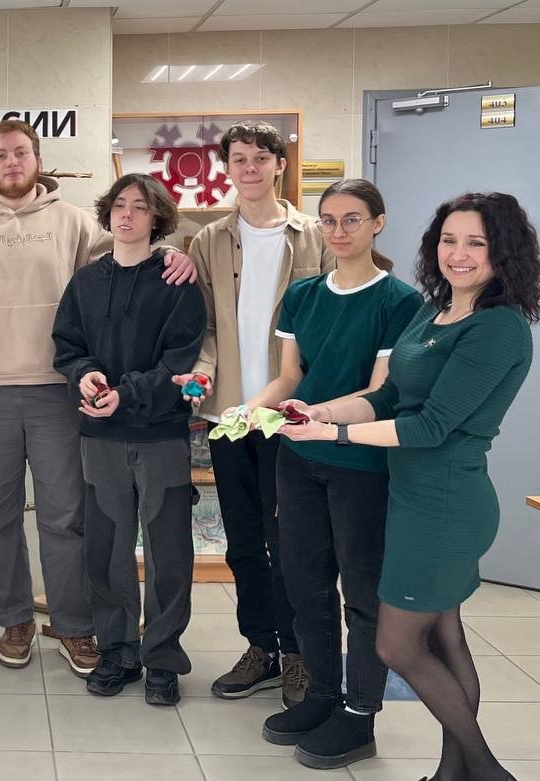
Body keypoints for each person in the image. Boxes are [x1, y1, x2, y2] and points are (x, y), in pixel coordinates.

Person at [280, 192, 539, 781]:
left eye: (476, 243)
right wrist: (320, 411)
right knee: (444, 639)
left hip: (445, 508)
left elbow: (429, 427)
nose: (459, 253)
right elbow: (390, 396)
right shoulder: (437, 309)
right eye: (449, 240)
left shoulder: (498, 327)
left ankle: (487, 772)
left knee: (397, 646)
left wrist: (334, 436)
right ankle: (453, 773)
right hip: (412, 499)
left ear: (504, 252)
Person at [0, 118, 195, 676]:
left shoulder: (74, 221)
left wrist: (177, 253)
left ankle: (75, 626)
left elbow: (131, 252)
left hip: (57, 391)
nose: (11, 162)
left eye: (20, 153)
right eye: (0, 155)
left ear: (37, 158)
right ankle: (14, 620)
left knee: (66, 517)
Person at [247, 179, 422, 768]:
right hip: (298, 458)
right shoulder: (302, 295)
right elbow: (288, 378)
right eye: (328, 220)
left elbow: (380, 392)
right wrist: (252, 409)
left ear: (378, 223)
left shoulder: (399, 302)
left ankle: (359, 714)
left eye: (352, 219)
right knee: (305, 582)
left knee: (362, 592)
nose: (338, 231)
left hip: (360, 462)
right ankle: (321, 694)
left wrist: (317, 417)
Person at [175, 120, 332, 706]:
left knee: (290, 539)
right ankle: (260, 647)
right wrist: (203, 373)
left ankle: (300, 653)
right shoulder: (208, 240)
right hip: (229, 415)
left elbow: (330, 325)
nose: (249, 168)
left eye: (260, 158)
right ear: (227, 167)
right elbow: (206, 326)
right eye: (238, 158)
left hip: (290, 415)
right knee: (242, 540)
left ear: (279, 165)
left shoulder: (314, 236)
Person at [52, 173, 205, 705]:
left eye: (140, 207)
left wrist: (128, 394)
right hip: (101, 438)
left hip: (161, 435)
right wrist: (85, 375)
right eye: (120, 205)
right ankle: (118, 651)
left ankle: (162, 658)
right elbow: (66, 346)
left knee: (168, 552)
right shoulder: (85, 283)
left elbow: (181, 359)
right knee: (107, 549)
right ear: (107, 212)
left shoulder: (177, 282)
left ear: (156, 218)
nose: (127, 215)